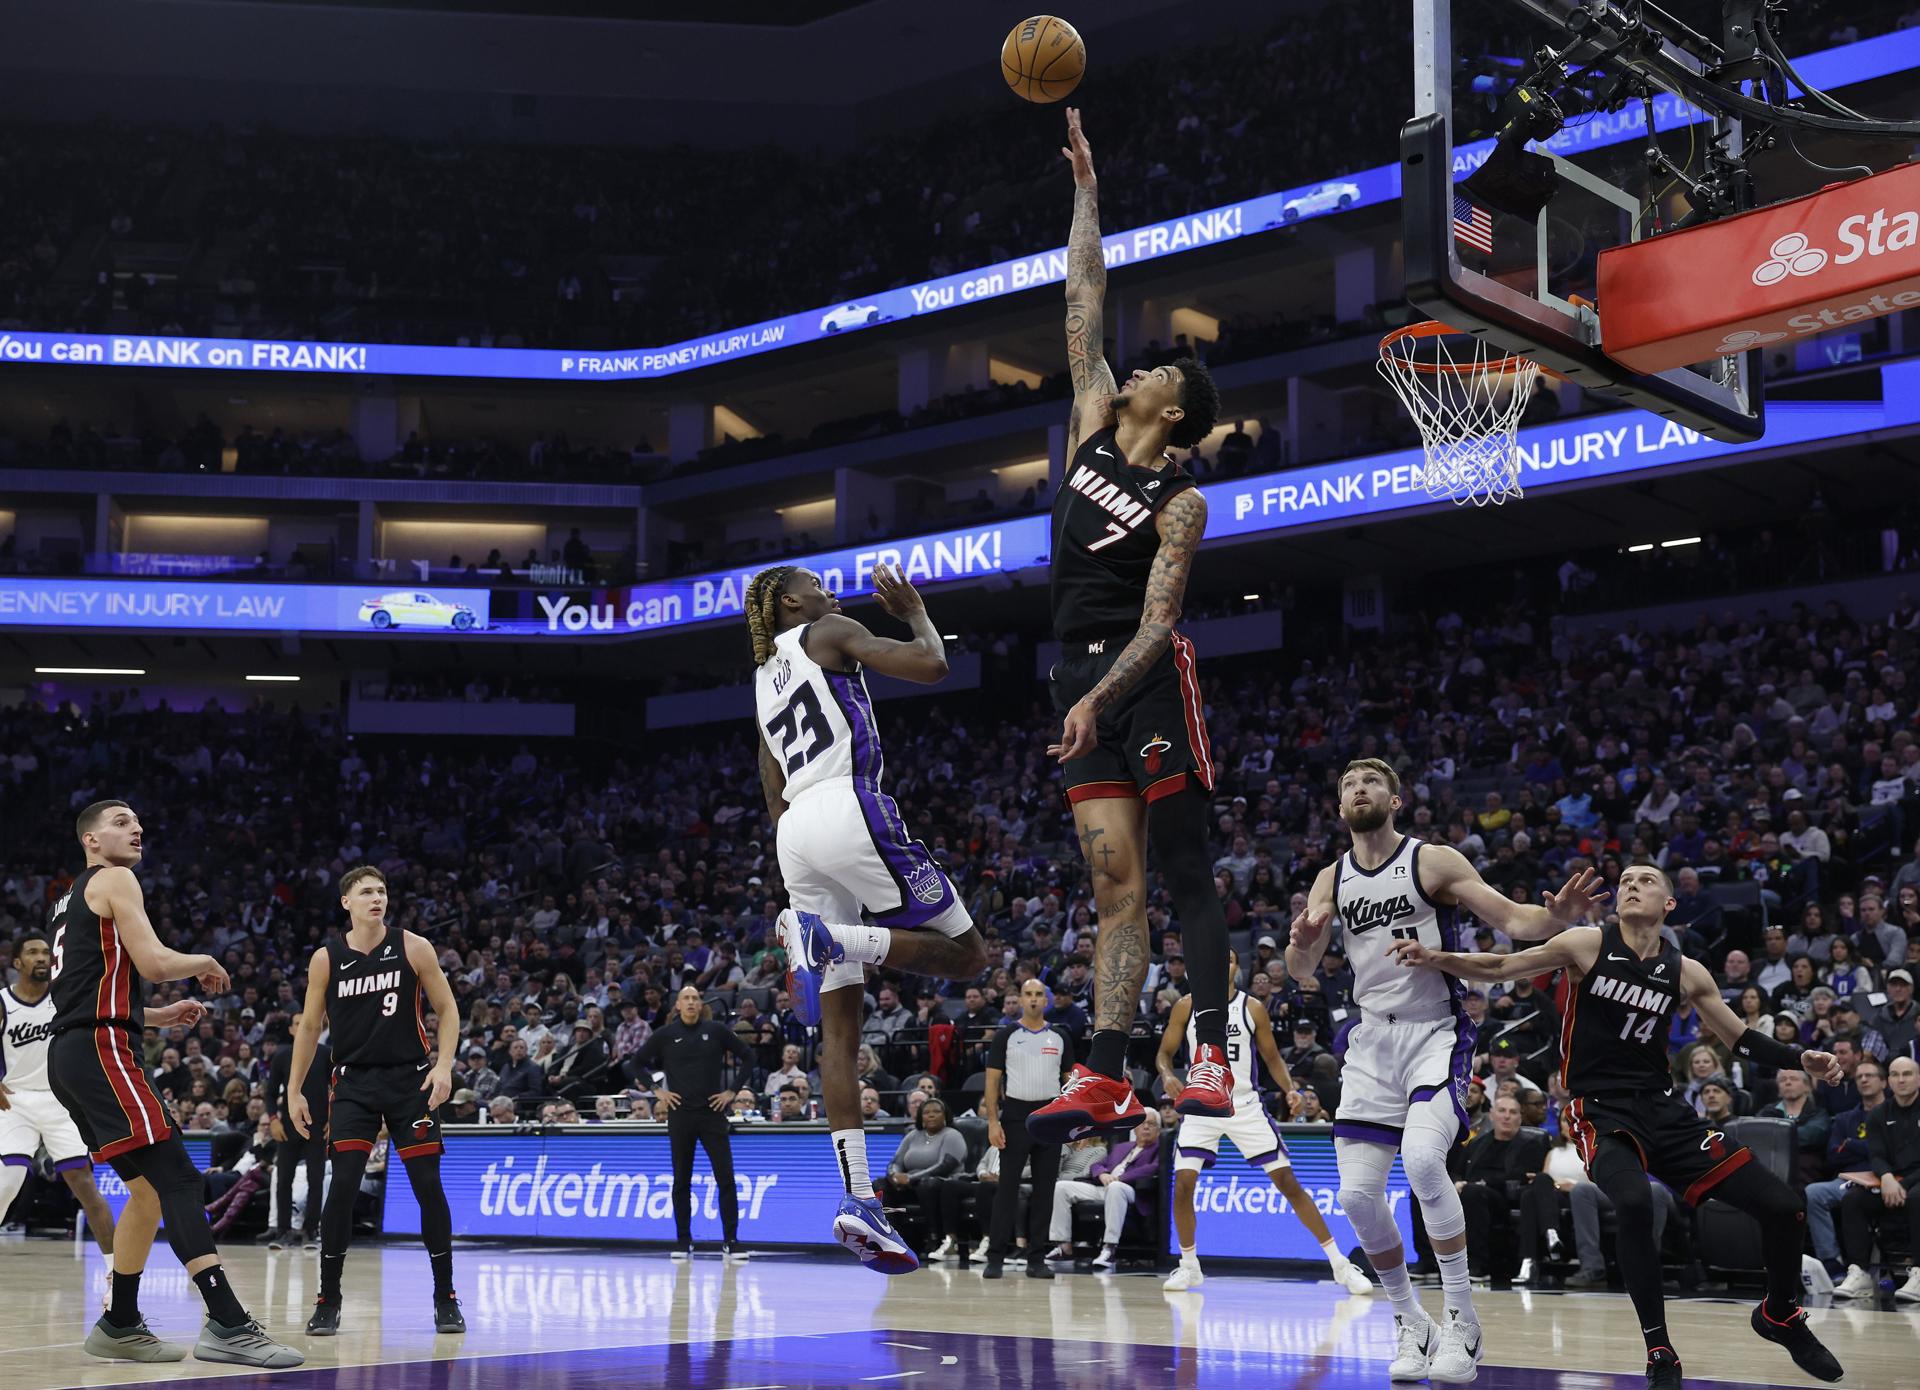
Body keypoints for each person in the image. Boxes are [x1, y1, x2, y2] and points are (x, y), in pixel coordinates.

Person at [1391, 863, 1845, 1389]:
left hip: (1665, 1112)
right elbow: (1501, 966)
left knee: (1784, 1207)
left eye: (1647, 880)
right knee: (1632, 1201)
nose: (1632, 885)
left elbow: (1738, 1037)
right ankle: (1660, 1350)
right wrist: (1437, 958)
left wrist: (1797, 1056)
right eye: (1626, 880)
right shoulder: (1586, 942)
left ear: (1670, 905)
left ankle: (1780, 1313)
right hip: (1599, 1109)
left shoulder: (1687, 971)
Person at [1026, 106, 1234, 1144]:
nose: (1136, 366)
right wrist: (1086, 194)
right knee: (1115, 885)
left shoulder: (1180, 502)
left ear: (1177, 410)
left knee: (1185, 867)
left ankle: (1214, 1054)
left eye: (1154, 371)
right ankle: (1106, 1073)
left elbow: (1159, 622)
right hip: (1078, 682)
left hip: (1143, 676)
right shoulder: (1090, 423)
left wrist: (1099, 696)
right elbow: (1083, 294)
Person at [1288, 759, 1604, 1384]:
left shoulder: (1431, 861)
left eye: (1371, 782)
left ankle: (1462, 1318)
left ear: (1396, 799)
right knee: (1354, 1194)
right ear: (1339, 805)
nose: (1358, 789)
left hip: (1437, 1030)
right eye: (1348, 783)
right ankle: (1411, 1321)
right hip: (1370, 1041)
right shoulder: (1332, 876)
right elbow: (1302, 968)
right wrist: (1303, 938)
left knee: (1426, 1161)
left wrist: (1560, 915)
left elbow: (1518, 923)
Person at [749, 560, 987, 1274]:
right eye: (816, 584)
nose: (829, 590)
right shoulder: (828, 629)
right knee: (970, 957)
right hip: (850, 803)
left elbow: (770, 784)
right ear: (794, 601)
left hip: (794, 833)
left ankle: (858, 1198)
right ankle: (830, 936)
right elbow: (932, 667)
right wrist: (915, 611)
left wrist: (801, 874)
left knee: (840, 1028)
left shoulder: (764, 680)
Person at [45, 800, 301, 1367]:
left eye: (139, 821)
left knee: (148, 1192)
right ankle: (229, 1324)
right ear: (90, 840)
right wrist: (205, 960)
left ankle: (119, 1322)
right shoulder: (116, 878)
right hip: (100, 1048)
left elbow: (91, 988)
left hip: (71, 1053)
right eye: (120, 822)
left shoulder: (62, 905)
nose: (136, 828)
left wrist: (156, 1017)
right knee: (181, 1179)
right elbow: (156, 962)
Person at [290, 865, 465, 1336]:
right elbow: (309, 1028)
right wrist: (293, 1090)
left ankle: (445, 1296)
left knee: (428, 1184)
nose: (377, 898)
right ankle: (328, 1298)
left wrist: (444, 1065)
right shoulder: (326, 958)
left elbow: (447, 1009)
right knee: (342, 1184)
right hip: (352, 1085)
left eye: (382, 891)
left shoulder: (413, 946)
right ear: (346, 902)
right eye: (366, 892)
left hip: (411, 1081)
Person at [1157, 948, 1372, 1293]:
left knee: (1287, 1183)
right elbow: (1164, 1053)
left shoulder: (1251, 1007)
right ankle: (1189, 1264)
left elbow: (1272, 1058)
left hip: (1243, 1104)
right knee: (1183, 1184)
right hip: (1200, 1104)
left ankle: (1340, 1265)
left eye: (1228, 959)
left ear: (1236, 968)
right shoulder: (1187, 1005)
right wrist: (1167, 1074)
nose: (1221, 963)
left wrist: (1289, 1089)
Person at [0, 933, 118, 1253]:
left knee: (85, 1186)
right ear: (17, 963)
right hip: (15, 1100)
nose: (41, 957)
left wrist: (161, 1015)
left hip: (59, 1100)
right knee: (6, 1184)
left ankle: (115, 1279)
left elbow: (113, 1013)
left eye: (45, 952)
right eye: (33, 953)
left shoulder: (64, 998)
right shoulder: (3, 1001)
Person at [634, 986, 756, 1260]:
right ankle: (683, 1240)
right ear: (677, 1005)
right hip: (680, 1116)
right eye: (686, 998)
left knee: (725, 1178)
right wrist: (658, 1092)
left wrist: (732, 1091)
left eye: (695, 998)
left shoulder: (716, 1031)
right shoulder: (666, 1035)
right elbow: (635, 1063)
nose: (691, 1002)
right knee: (681, 1181)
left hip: (712, 1114)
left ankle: (731, 1241)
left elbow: (749, 1056)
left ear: (701, 1004)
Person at [982, 979, 1074, 1280]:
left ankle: (1037, 1258)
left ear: (1046, 1001)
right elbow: (993, 1082)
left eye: (1038, 995)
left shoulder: (1061, 1036)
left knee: (1044, 1191)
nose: (1034, 1000)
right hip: (1015, 1116)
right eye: (1028, 994)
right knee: (1006, 1190)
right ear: (1020, 999)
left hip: (1050, 1118)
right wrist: (993, 1122)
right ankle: (995, 1256)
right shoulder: (1006, 1035)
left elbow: (1070, 1082)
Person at [1833, 1055, 1920, 1303]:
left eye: (1907, 1074)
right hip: (1892, 1180)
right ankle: (1860, 1272)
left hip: (1913, 1182)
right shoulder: (1878, 1114)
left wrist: (1899, 1185)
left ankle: (1919, 1272)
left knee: (1917, 1197)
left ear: (1919, 1079)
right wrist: (1887, 1178)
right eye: (1895, 1074)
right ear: (1888, 1081)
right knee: (1853, 1200)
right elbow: (1877, 1155)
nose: (1901, 1079)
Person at [1046, 1109, 1163, 1269]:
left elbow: (1153, 1168)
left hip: (1131, 1190)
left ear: (1158, 1130)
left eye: (1151, 1124)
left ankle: (1109, 1249)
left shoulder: (1160, 1149)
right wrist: (1102, 1175)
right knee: (1061, 1187)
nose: (1146, 1127)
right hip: (1104, 1186)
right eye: (1143, 1123)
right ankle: (1063, 1247)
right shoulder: (1122, 1147)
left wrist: (1120, 1178)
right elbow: (1098, 1165)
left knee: (1115, 1187)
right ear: (1135, 1129)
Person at [1451, 1095, 1548, 1282]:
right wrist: (1455, 1183)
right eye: (1502, 1111)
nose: (1507, 1116)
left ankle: (1478, 1265)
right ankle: (1428, 1262)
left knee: (1473, 1193)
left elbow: (1522, 1175)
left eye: (1513, 1112)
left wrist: (1482, 1184)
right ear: (1492, 1115)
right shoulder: (1477, 1143)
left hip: (1505, 1197)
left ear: (1520, 1118)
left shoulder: (1532, 1144)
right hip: (1470, 1190)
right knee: (1423, 1193)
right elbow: (1457, 1171)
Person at [256, 1009, 327, 1250]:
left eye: (305, 1022)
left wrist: (334, 1117)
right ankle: (284, 1230)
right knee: (283, 1178)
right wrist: (273, 1119)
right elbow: (269, 1092)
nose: (302, 1026)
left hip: (317, 1127)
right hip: (287, 1127)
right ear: (291, 1029)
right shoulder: (282, 1056)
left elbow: (338, 1087)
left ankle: (310, 1230)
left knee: (315, 1180)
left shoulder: (327, 1054)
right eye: (297, 1023)